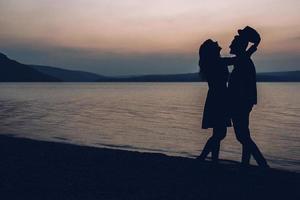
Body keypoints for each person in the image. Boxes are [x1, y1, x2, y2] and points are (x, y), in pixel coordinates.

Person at [197, 39, 257, 163]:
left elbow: (237, 60)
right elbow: (237, 60)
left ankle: (212, 160)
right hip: (218, 99)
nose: (219, 46)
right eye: (216, 45)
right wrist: (253, 48)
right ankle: (203, 157)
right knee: (219, 134)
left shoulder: (213, 62)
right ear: (212, 51)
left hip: (217, 98)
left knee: (218, 133)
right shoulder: (217, 62)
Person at [228, 26, 269, 168]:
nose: (230, 45)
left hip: (241, 102)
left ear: (239, 46)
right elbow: (250, 49)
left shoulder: (242, 60)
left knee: (242, 136)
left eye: (233, 43)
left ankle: (262, 164)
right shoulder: (243, 58)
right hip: (244, 102)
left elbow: (240, 86)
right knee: (244, 134)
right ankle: (246, 163)